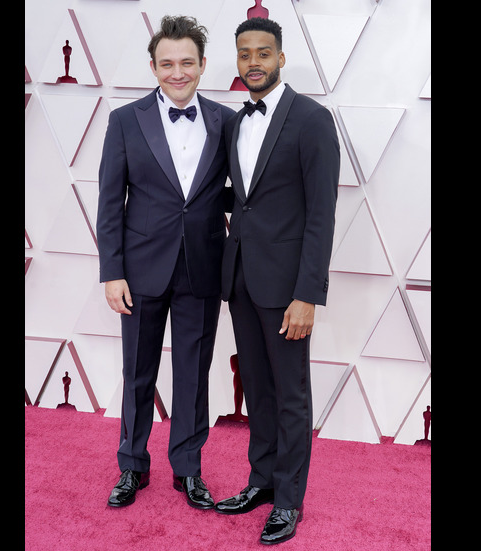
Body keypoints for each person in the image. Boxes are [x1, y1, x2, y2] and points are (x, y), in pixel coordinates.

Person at [96, 14, 236, 511]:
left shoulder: (226, 121)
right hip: (139, 269)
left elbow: (237, 193)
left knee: (194, 373)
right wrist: (112, 271)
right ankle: (132, 465)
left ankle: (188, 469)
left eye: (187, 63)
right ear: (153, 66)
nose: (178, 73)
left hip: (202, 265)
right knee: (138, 372)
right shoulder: (124, 120)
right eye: (167, 64)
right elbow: (110, 202)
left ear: (202, 65)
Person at [214, 17, 339, 545]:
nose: (254, 63)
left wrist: (308, 294)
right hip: (241, 278)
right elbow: (243, 198)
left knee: (290, 395)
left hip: (288, 288)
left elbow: (321, 214)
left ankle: (288, 499)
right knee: (258, 390)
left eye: (263, 53)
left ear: (281, 58)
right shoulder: (234, 122)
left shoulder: (312, 119)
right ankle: (261, 482)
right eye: (245, 54)